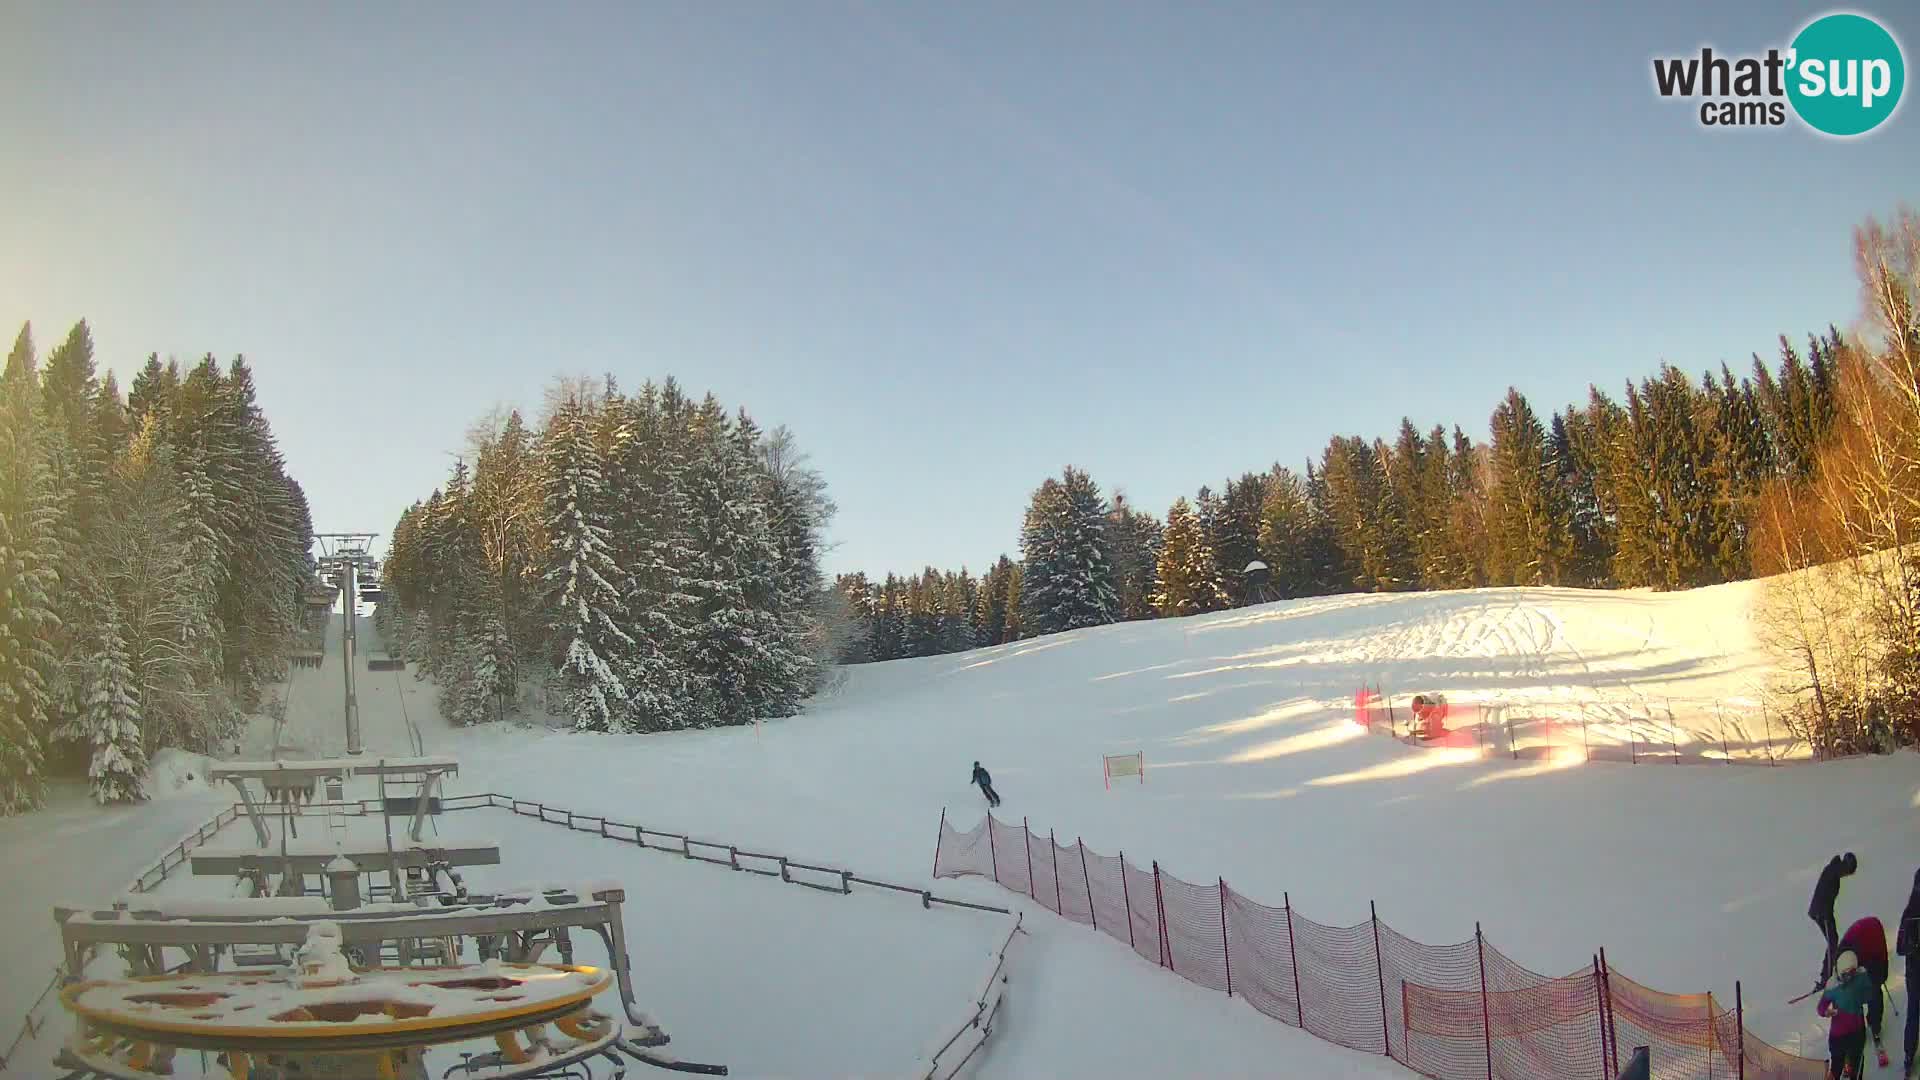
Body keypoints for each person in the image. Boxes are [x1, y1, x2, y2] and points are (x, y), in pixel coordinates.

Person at [1838, 914, 1891, 1070]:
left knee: (1874, 989)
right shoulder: (1843, 953)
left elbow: (1880, 971)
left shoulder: (1872, 949)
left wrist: (1880, 978)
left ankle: (1875, 1023)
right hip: (1857, 946)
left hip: (1873, 947)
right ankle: (1858, 1027)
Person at [1818, 950, 1872, 1080]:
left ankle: (1851, 1070)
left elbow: (1869, 994)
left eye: (1850, 974)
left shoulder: (1861, 977)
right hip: (1839, 1035)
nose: (1847, 978)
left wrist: (1862, 996)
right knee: (1836, 1066)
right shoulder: (1833, 986)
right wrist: (1827, 1012)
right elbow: (1821, 1008)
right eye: (1844, 975)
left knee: (1857, 1064)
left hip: (1857, 1031)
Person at [1811, 852, 1858, 986]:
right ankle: (1826, 977)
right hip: (1821, 912)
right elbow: (1823, 894)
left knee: (1833, 940)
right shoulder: (1833, 872)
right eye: (1849, 872)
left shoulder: (1833, 870)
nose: (1848, 875)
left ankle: (1827, 973)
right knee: (1832, 942)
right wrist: (1825, 915)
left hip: (1823, 912)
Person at [1896, 867, 1920, 1079]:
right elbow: (1900, 948)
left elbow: (1899, 948)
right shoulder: (1910, 914)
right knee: (1913, 1013)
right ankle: (1909, 1056)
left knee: (1913, 1013)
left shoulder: (1908, 913)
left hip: (1913, 972)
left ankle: (1909, 1056)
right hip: (1915, 972)